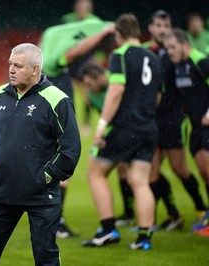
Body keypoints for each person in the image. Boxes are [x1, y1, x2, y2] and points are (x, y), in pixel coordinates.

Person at [0, 43, 81, 265]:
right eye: (10, 64)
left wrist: (46, 175)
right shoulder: (0, 94)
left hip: (41, 196)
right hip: (0, 192)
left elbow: (71, 148)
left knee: (46, 260)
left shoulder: (57, 99)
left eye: (18, 66)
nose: (11, 70)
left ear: (35, 69)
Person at [82, 14, 161, 250]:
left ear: (118, 34)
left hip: (125, 127)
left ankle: (108, 230)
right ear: (138, 31)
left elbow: (116, 90)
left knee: (95, 173)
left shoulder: (120, 55)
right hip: (149, 127)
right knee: (140, 182)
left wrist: (102, 125)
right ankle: (144, 238)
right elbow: (157, 96)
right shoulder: (154, 58)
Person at [41, 23, 114, 238]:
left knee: (56, 169)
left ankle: (52, 220)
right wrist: (101, 33)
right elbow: (76, 50)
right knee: (62, 169)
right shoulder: (55, 62)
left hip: (54, 120)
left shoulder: (50, 66)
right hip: (58, 122)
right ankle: (55, 222)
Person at [144, 10, 207, 231]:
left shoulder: (180, 55)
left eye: (166, 26)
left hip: (172, 119)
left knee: (179, 168)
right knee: (150, 174)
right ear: (150, 28)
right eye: (158, 25)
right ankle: (172, 214)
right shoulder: (147, 53)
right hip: (153, 120)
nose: (162, 30)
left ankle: (201, 208)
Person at [163, 28, 209, 236]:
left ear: (184, 43)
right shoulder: (177, 68)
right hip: (195, 128)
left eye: (173, 47)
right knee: (203, 173)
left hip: (207, 125)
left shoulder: (200, 60)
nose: (170, 52)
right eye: (167, 48)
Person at [82, 63, 135, 226]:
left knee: (134, 175)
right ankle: (129, 214)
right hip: (113, 133)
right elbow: (89, 105)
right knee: (123, 171)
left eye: (90, 84)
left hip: (130, 131)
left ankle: (112, 224)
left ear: (99, 78)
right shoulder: (92, 93)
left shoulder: (116, 83)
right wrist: (86, 123)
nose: (88, 88)